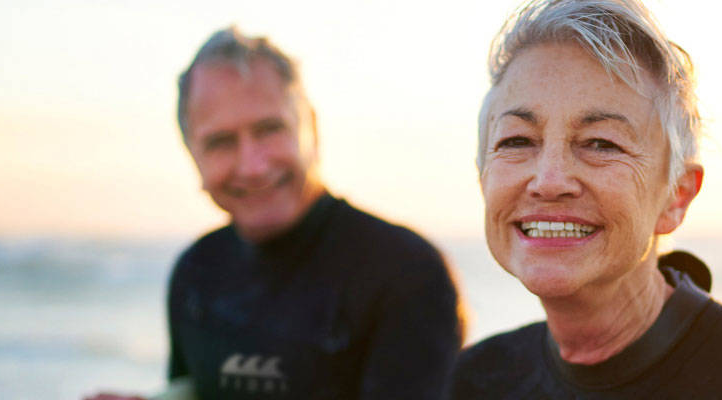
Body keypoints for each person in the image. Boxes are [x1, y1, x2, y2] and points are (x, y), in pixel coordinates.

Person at [447, 0, 722, 398]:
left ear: (676, 197)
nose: (549, 181)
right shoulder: (473, 379)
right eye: (517, 141)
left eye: (600, 143)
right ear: (483, 178)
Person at [91, 27, 464, 400]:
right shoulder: (195, 273)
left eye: (269, 130)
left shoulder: (406, 273)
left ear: (311, 129)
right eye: (221, 142)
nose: (252, 166)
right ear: (192, 155)